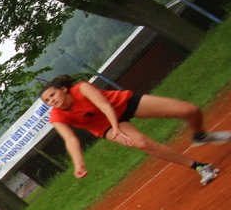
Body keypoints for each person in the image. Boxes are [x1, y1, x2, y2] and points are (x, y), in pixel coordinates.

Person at [39, 75, 229, 186]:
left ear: (64, 89)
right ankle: (200, 166)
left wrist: (116, 126)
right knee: (142, 143)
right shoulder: (57, 116)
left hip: (123, 104)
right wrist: (79, 164)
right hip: (105, 127)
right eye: (47, 101)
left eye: (52, 94)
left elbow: (105, 106)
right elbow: (70, 139)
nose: (51, 100)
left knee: (190, 110)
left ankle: (200, 135)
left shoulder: (82, 88)